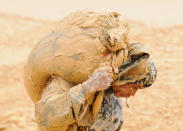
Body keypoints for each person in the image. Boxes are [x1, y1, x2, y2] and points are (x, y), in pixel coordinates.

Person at [25, 11, 157, 131]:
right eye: (133, 87)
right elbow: (45, 118)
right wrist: (87, 87)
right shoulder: (69, 80)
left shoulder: (109, 89)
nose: (133, 93)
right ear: (122, 77)